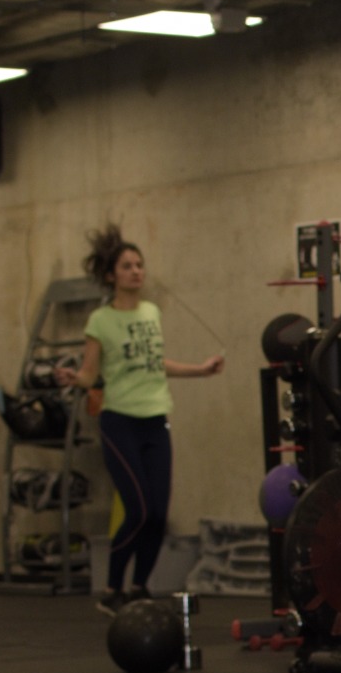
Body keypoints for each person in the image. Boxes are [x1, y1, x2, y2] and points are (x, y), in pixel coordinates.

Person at [57, 225, 224, 614]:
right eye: (127, 266)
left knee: (159, 513)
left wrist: (200, 369)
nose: (136, 271)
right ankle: (113, 587)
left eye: (140, 265)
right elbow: (90, 372)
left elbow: (152, 363)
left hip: (155, 419)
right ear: (112, 275)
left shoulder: (151, 313)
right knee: (138, 508)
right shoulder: (100, 320)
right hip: (120, 422)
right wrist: (73, 379)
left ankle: (139, 587)